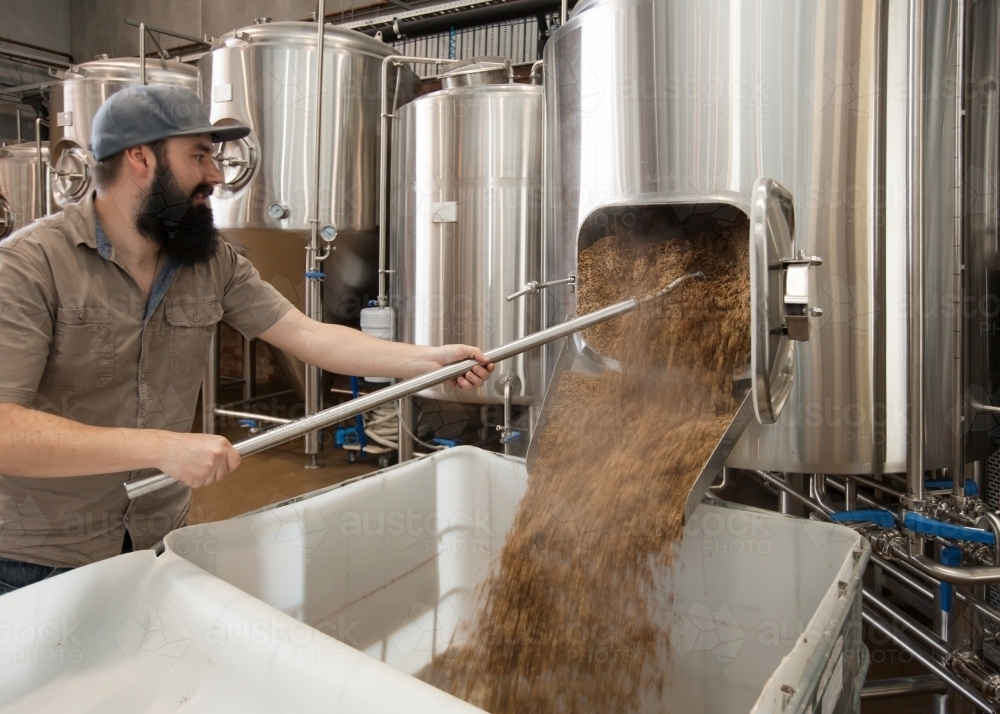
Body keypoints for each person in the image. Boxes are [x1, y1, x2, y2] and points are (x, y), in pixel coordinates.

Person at [0, 85, 494, 594]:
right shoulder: (29, 267)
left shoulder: (210, 260)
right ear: (140, 157)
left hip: (156, 536)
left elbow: (304, 333)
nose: (215, 174)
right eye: (198, 155)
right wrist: (161, 447)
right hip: (38, 556)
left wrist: (428, 360)